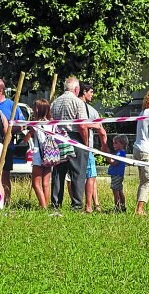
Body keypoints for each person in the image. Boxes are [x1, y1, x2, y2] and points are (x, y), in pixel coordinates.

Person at [50, 77, 89, 211]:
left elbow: (51, 121)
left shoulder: (55, 102)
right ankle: (77, 204)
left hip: (59, 138)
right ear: (77, 89)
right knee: (77, 172)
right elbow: (82, 125)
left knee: (58, 172)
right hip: (75, 137)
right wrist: (86, 143)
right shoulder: (78, 102)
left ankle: (56, 204)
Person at [0, 79, 24, 207]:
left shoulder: (11, 105)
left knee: (4, 175)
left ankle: (6, 202)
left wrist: (7, 129)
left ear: (0, 90)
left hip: (6, 146)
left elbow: (21, 125)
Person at [79, 82, 107, 213]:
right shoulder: (89, 110)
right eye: (91, 92)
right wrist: (104, 146)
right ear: (84, 92)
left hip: (71, 146)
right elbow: (101, 130)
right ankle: (88, 206)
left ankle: (96, 204)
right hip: (86, 147)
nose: (92, 95)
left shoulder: (76, 107)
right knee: (91, 176)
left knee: (76, 176)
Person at [22, 99, 53, 208]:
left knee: (36, 183)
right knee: (46, 183)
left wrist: (28, 131)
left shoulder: (35, 125)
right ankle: (46, 203)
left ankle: (43, 205)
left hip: (38, 155)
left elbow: (26, 140)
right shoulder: (52, 123)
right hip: (50, 154)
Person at [107, 134, 128, 212]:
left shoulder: (120, 153)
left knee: (116, 192)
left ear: (122, 144)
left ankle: (117, 207)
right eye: (113, 143)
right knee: (120, 191)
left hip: (116, 175)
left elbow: (114, 163)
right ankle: (123, 206)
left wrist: (107, 158)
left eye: (116, 143)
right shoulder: (121, 153)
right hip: (118, 175)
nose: (113, 144)